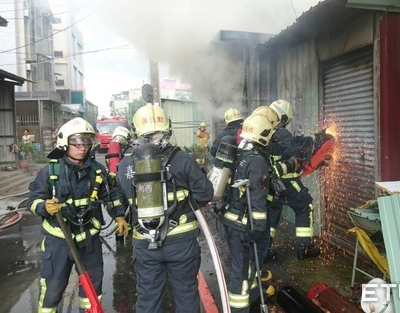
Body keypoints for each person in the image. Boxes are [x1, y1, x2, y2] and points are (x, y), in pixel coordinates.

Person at [116, 103, 214, 313]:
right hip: (182, 243)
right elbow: (206, 194)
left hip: (145, 244)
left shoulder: (125, 166)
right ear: (168, 129)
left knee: (148, 299)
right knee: (186, 295)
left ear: (137, 133)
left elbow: (122, 196)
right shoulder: (184, 160)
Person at [27, 117, 129, 312]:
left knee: (92, 291)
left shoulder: (97, 171)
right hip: (59, 241)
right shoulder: (50, 172)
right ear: (65, 143)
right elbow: (33, 201)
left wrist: (119, 215)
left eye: (86, 143)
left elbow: (111, 193)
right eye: (76, 143)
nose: (82, 148)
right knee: (52, 291)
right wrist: (44, 207)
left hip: (89, 241)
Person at [220, 114, 276, 312]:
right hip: (243, 225)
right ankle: (238, 308)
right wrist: (259, 228)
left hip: (231, 219)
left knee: (247, 265)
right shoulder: (257, 162)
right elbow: (257, 199)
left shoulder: (240, 155)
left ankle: (252, 296)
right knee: (242, 271)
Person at [265, 99, 321, 261]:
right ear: (282, 118)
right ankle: (305, 247)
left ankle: (264, 251)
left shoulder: (265, 131)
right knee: (305, 206)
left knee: (272, 213)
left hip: (271, 183)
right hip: (287, 182)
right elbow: (292, 156)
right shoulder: (281, 132)